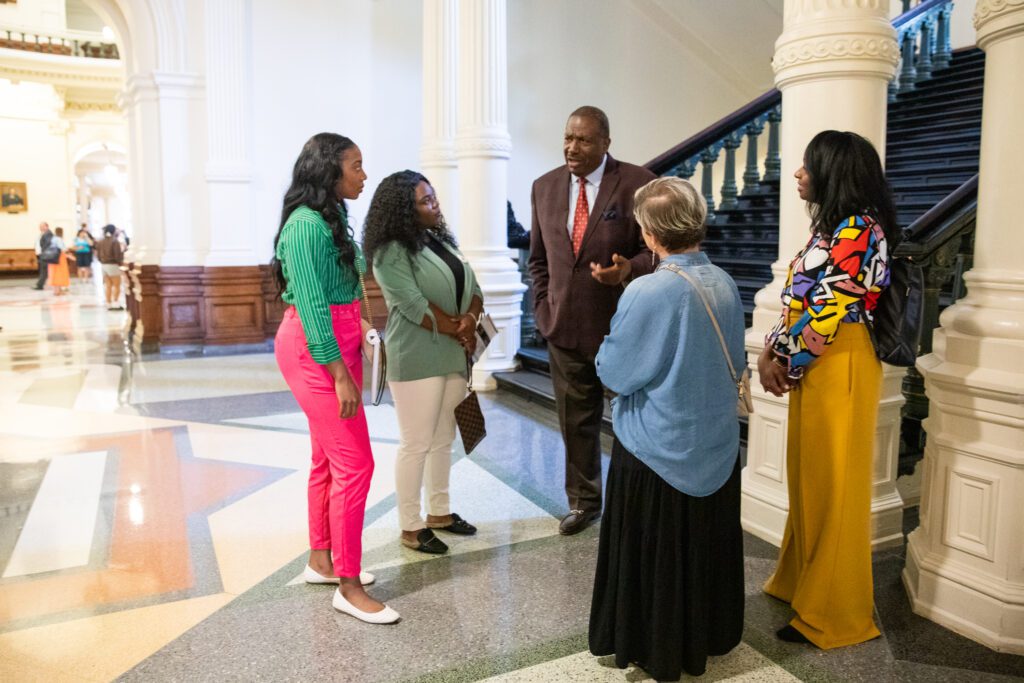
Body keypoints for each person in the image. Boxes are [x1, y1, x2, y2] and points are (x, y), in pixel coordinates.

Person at [589, 177, 745, 680]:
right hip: (716, 445)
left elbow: (615, 372)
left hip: (657, 449)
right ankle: (707, 632)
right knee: (704, 546)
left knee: (656, 556)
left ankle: (653, 643)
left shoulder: (648, 290)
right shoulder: (725, 282)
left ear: (652, 234)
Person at [758, 130, 895, 649]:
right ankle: (802, 585)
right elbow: (801, 297)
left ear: (833, 173)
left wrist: (786, 361)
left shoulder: (862, 230)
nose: (798, 174)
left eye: (807, 167)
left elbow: (833, 307)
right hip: (817, 359)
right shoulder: (831, 230)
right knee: (809, 477)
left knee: (836, 486)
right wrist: (772, 350)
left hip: (843, 361)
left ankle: (836, 615)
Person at [271, 132, 398, 624]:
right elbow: (310, 304)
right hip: (314, 348)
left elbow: (340, 288)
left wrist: (361, 324)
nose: (364, 175)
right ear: (330, 171)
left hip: (338, 337)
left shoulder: (333, 216)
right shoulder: (305, 227)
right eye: (357, 166)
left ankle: (321, 561)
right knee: (356, 464)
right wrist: (340, 375)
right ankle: (348, 585)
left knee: (327, 458)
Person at [527, 105, 657, 535]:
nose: (572, 147)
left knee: (632, 421)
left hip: (621, 328)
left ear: (605, 143)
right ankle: (584, 502)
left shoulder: (638, 183)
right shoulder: (544, 187)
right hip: (563, 326)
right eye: (567, 138)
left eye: (583, 140)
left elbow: (656, 250)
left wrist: (627, 271)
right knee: (575, 421)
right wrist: (544, 307)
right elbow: (539, 260)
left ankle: (634, 502)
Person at [363, 171, 484, 555]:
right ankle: (411, 526)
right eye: (425, 200)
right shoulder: (390, 251)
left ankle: (440, 513)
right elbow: (411, 303)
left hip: (451, 349)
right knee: (416, 443)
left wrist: (469, 321)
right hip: (416, 354)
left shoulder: (437, 239)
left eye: (434, 197)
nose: (435, 205)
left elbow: (474, 287)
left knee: (443, 438)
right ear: (403, 209)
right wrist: (458, 329)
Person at [95, 225, 125, 310]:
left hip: (104, 266)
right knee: (117, 285)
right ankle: (115, 303)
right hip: (112, 265)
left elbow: (98, 255)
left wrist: (102, 262)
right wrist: (120, 263)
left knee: (108, 285)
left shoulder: (101, 241)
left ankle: (108, 303)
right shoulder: (115, 241)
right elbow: (117, 255)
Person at [48, 227, 71, 296]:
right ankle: (58, 291)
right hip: (59, 258)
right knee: (59, 274)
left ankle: (57, 290)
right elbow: (62, 248)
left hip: (52, 258)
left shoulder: (52, 239)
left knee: (54, 274)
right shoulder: (59, 239)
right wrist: (67, 250)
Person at [33, 222, 52, 290]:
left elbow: (47, 244)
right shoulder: (43, 234)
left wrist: (43, 253)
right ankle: (40, 284)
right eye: (40, 226)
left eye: (42, 226)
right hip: (41, 254)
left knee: (44, 270)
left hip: (44, 255)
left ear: (46, 226)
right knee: (43, 270)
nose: (40, 228)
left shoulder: (48, 234)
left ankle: (40, 285)